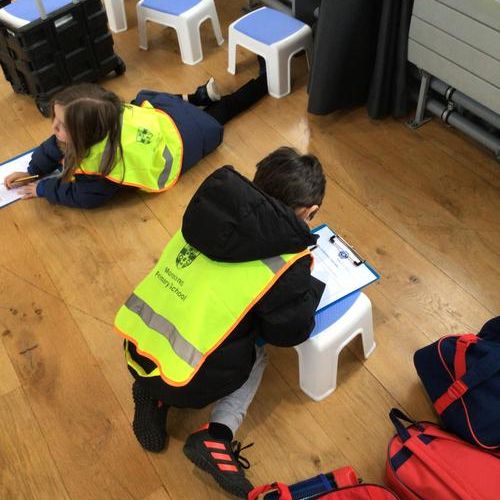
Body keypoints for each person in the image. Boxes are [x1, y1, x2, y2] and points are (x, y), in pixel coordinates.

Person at [114, 146, 326, 498]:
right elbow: (290, 332)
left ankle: (150, 392)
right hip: (189, 379)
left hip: (138, 345)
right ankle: (217, 435)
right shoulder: (287, 262)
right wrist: (305, 289)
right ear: (310, 211)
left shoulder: (209, 210)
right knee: (258, 353)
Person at [4, 68, 268, 209]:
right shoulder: (106, 113)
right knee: (148, 99)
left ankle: (263, 83)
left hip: (190, 138)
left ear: (85, 134)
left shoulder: (105, 164)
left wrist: (42, 189)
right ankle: (198, 98)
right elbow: (54, 146)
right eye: (55, 119)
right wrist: (32, 171)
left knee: (224, 111)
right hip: (166, 115)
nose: (54, 127)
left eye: (61, 125)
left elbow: (82, 196)